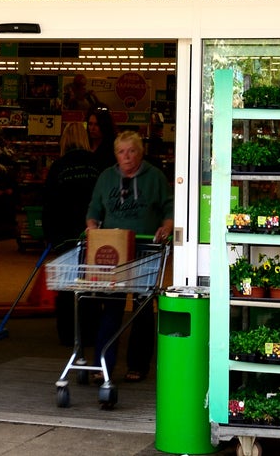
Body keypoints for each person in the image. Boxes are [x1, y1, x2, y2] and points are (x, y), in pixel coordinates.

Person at [85, 130, 174, 381]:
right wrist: (92, 225)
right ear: (115, 154)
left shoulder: (154, 177)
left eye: (132, 151)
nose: (127, 156)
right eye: (121, 151)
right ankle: (103, 365)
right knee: (110, 307)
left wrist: (166, 226)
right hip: (114, 250)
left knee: (142, 308)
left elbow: (169, 206)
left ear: (141, 152)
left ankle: (138, 365)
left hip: (146, 248)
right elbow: (94, 208)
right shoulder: (105, 178)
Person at [43, 122, 102, 346]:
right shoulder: (97, 164)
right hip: (91, 232)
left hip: (63, 233)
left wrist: (49, 234)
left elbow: (48, 202)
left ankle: (67, 334)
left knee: (66, 285)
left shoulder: (58, 166)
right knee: (92, 283)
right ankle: (90, 331)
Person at [86, 106, 117, 171]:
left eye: (97, 124)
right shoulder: (84, 145)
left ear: (104, 126)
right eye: (90, 124)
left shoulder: (111, 149)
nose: (92, 128)